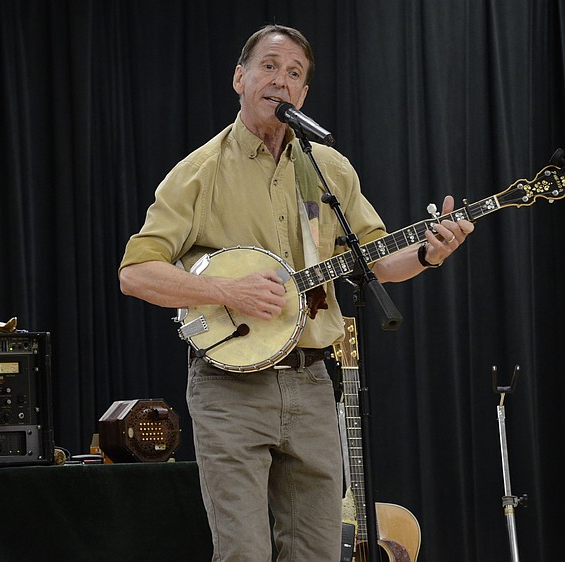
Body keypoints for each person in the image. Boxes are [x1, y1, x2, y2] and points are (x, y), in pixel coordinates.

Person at [119, 25, 473, 561]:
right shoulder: (199, 172)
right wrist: (227, 289)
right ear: (239, 78)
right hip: (229, 389)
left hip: (311, 382)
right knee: (244, 553)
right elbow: (135, 273)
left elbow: (375, 262)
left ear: (303, 95)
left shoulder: (328, 170)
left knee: (318, 552)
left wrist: (429, 253)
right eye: (268, 66)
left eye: (294, 73)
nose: (279, 81)